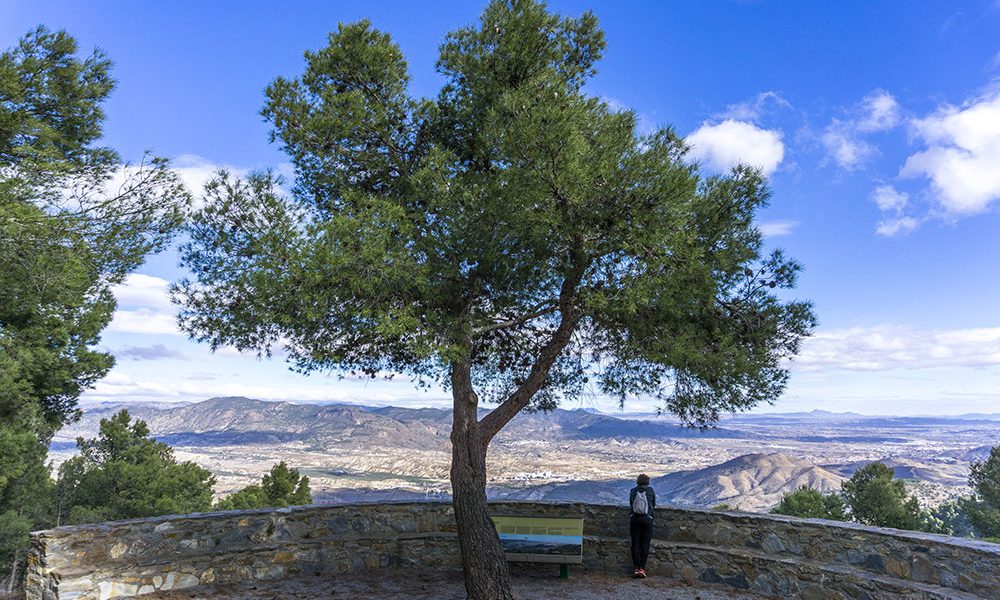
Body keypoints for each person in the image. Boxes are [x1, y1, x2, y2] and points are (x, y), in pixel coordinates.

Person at [629, 473, 656, 578]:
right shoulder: (650, 491)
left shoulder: (633, 491)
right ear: (647, 482)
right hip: (647, 519)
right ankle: (642, 569)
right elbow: (653, 504)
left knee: (635, 543)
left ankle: (635, 568)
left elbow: (631, 504)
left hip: (634, 519)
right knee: (645, 544)